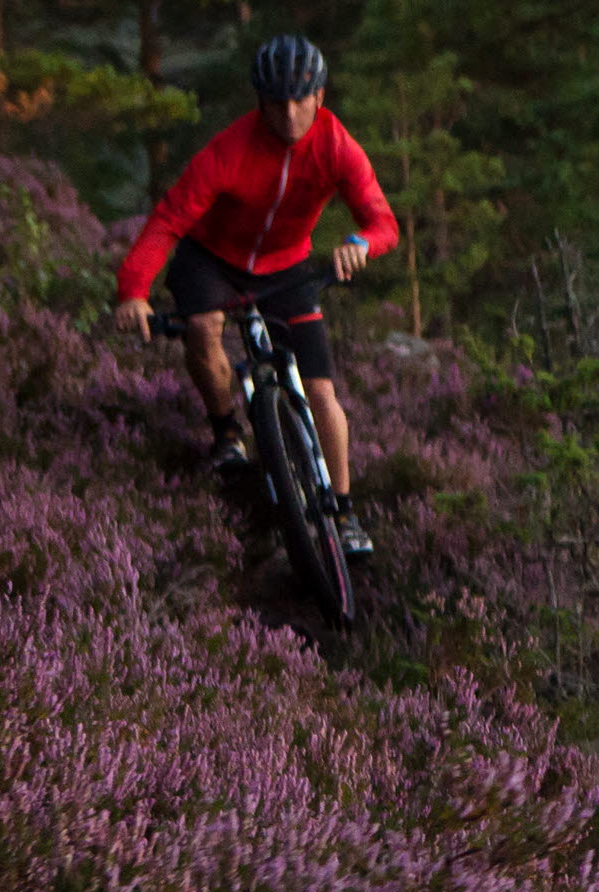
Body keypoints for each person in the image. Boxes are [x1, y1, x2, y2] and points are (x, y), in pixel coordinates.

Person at [113, 35, 400, 550]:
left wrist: (361, 243)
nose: (288, 114)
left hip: (287, 266)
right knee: (203, 327)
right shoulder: (228, 150)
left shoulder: (338, 147)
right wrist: (134, 290)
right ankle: (226, 431)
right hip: (213, 260)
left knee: (321, 392)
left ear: (319, 95)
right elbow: (168, 221)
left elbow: (382, 222)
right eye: (275, 102)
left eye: (299, 99)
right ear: (259, 102)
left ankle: (343, 506)